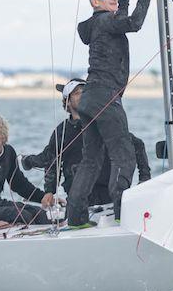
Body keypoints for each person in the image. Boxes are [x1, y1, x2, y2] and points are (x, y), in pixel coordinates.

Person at [65, 0, 154, 227]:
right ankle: (121, 213)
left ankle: (76, 217)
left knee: (91, 160)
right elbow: (134, 23)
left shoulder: (99, 23)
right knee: (123, 155)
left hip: (90, 98)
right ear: (96, 1)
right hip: (105, 96)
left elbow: (122, 22)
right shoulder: (104, 21)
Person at [22, 78, 151, 204]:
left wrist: (144, 179)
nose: (82, 95)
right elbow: (52, 159)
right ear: (67, 102)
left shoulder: (104, 123)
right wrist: (49, 191)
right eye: (77, 93)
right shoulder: (62, 131)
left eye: (85, 92)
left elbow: (137, 145)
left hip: (109, 194)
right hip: (80, 199)